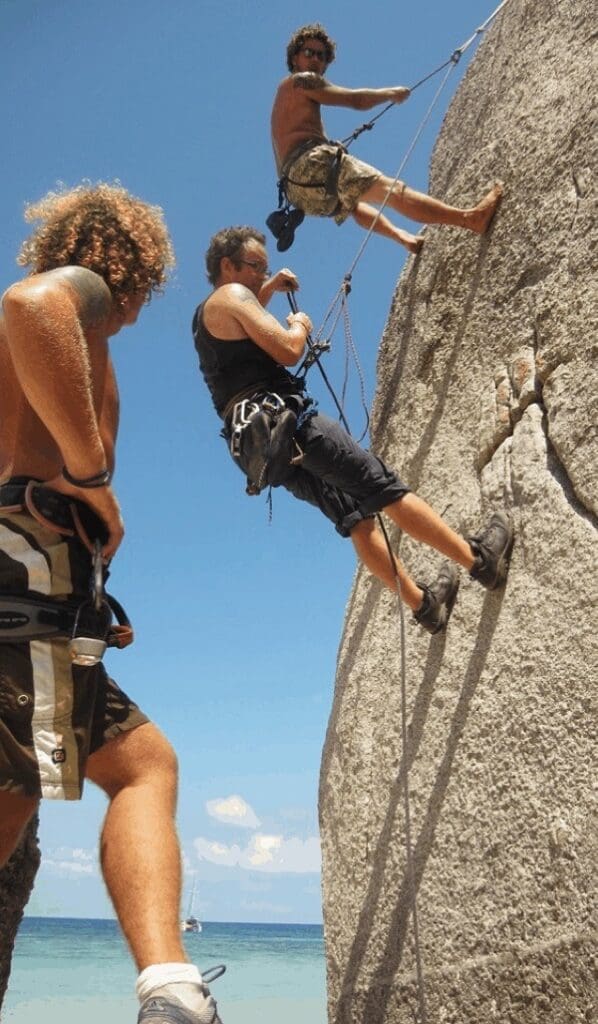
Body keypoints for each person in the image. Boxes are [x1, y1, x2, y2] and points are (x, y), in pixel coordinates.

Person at [0, 184, 222, 1024]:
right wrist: (91, 479)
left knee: (121, 767)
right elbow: (30, 305)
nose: (135, 311)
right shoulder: (80, 294)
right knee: (97, 773)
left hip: (36, 578)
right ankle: (171, 990)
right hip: (29, 567)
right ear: (131, 267)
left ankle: (170, 985)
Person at [192, 226, 513, 631]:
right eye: (256, 266)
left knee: (356, 519)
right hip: (293, 424)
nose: (261, 275)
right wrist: (300, 325)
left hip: (267, 450)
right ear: (228, 265)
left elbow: (246, 321)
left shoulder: (205, 318)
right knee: (384, 488)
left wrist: (269, 286)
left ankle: (425, 606)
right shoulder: (232, 295)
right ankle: (480, 561)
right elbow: (289, 350)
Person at [271, 23, 503, 254]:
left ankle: (402, 237)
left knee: (354, 203)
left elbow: (296, 141)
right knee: (391, 189)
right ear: (294, 58)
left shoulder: (285, 100)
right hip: (307, 166)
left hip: (298, 194)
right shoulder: (300, 81)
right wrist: (390, 94)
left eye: (321, 56)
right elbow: (355, 100)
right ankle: (469, 219)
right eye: (309, 52)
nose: (315, 59)